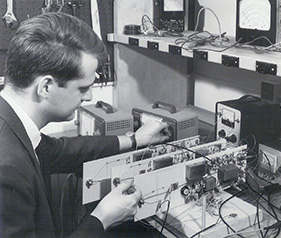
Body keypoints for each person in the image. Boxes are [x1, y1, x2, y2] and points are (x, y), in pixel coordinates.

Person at [0, 12, 170, 238]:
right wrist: (102, 218)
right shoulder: (7, 167)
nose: (89, 96)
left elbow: (57, 151)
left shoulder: (11, 124)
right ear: (46, 87)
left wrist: (135, 139)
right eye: (82, 88)